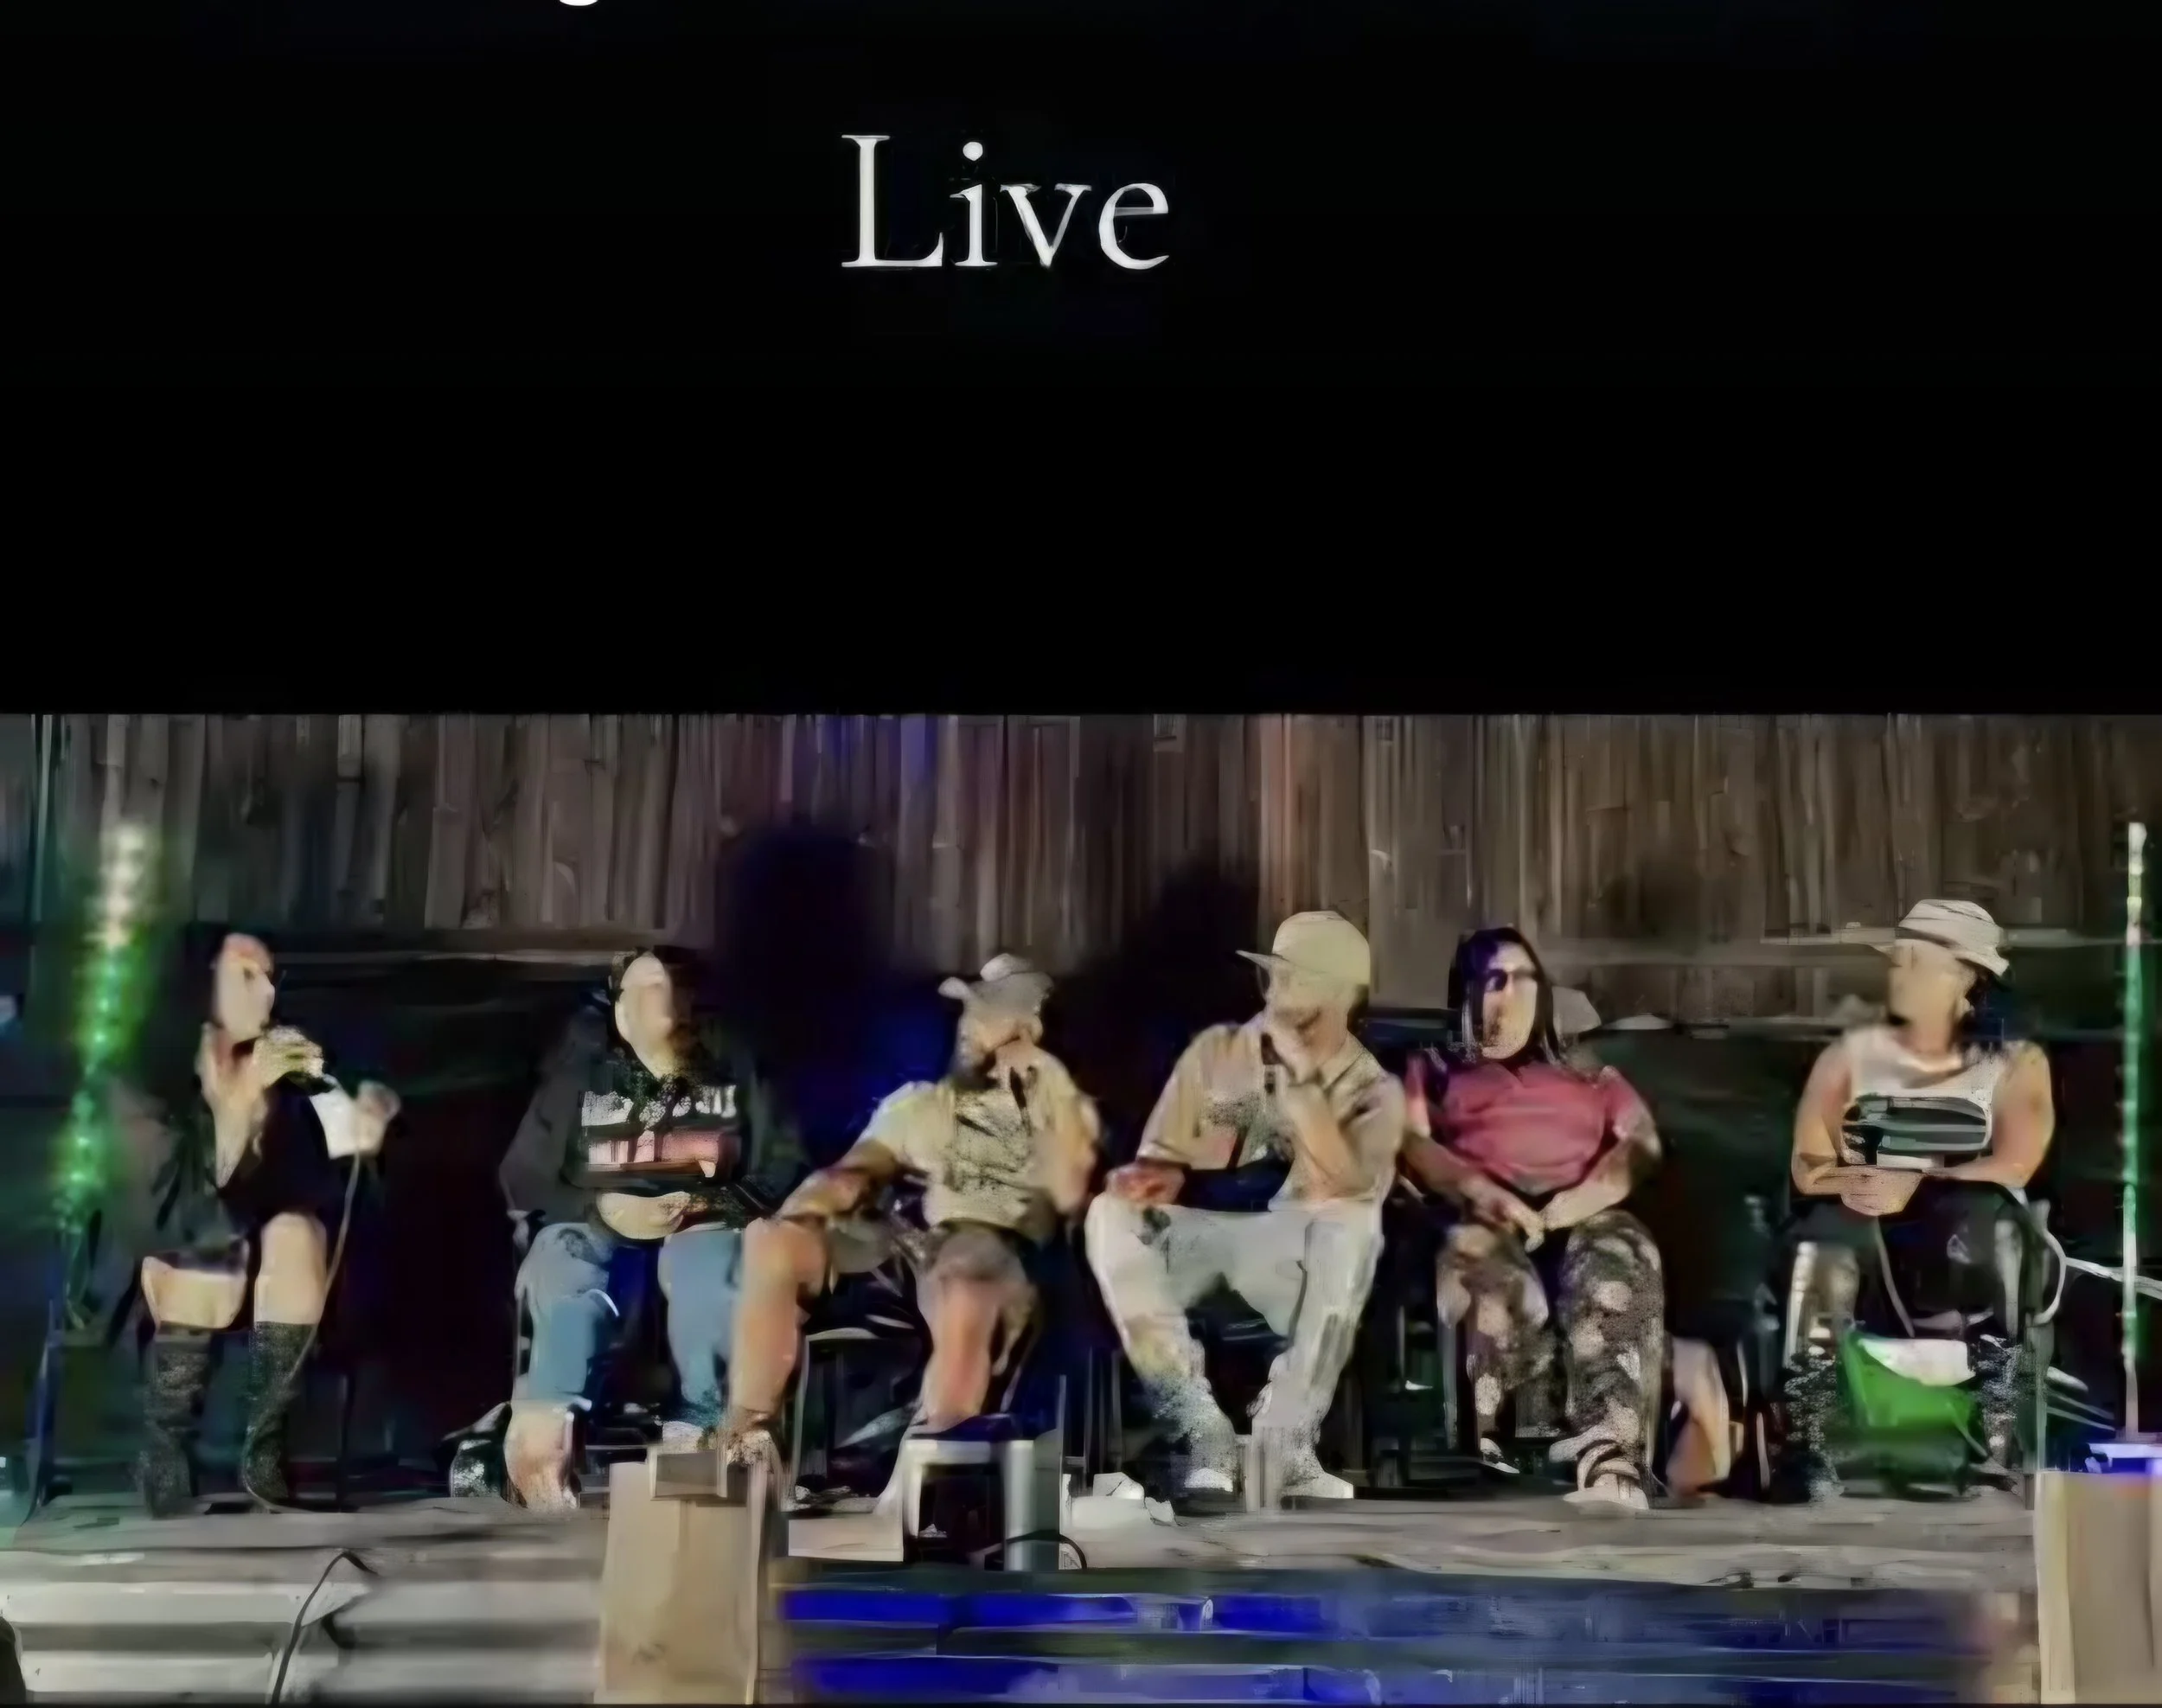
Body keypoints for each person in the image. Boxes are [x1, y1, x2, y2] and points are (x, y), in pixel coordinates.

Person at [714, 955, 1099, 1462]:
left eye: (985, 1016)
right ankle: (748, 1438)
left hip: (993, 1250)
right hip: (900, 1243)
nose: (967, 1028)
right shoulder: (920, 1102)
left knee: (968, 1276)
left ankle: (936, 1466)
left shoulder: (1065, 1109)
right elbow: (863, 1164)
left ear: (1030, 1031)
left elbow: (1072, 1195)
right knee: (775, 1239)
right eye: (967, 1014)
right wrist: (823, 1196)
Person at [1085, 910, 1404, 1507]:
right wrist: (1154, 1174)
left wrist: (1302, 1079)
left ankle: (1284, 1441)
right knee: (1109, 1214)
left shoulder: (1374, 1089)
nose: (1275, 990)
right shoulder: (1215, 1051)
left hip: (1294, 1264)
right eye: (1273, 976)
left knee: (1356, 1225)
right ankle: (1201, 1432)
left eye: (1295, 977)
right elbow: (1161, 1154)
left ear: (1340, 993)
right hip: (1207, 1241)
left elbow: (1351, 1186)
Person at [496, 946, 804, 1511]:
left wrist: (707, 1203)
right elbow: (523, 1176)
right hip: (601, 1218)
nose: (649, 998)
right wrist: (600, 1208)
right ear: (617, 1013)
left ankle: (709, 1423)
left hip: (703, 1220)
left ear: (687, 1003)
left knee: (707, 1264)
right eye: (634, 989)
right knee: (564, 1257)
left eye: (661, 985)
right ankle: (544, 1433)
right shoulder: (581, 1079)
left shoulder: (735, 1070)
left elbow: (784, 1165)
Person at [1781, 899, 2055, 1502]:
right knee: (1821, 1244)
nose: (1896, 973)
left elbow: (2018, 1159)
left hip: (1961, 1236)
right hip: (1864, 1230)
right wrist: (1850, 1181)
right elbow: (1808, 1162)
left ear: (1965, 977)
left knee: (1994, 1229)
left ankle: (1996, 1443)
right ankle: (1809, 1445)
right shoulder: (1849, 1056)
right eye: (1897, 961)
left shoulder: (2014, 1061)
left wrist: (1920, 1179)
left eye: (1914, 962)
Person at [132, 931, 402, 1516]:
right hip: (163, 1244)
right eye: (247, 975)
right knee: (212, 1251)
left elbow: (339, 1143)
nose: (268, 990)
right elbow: (180, 1197)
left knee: (298, 1236)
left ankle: (264, 1450)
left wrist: (361, 1115)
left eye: (271, 976)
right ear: (204, 981)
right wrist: (243, 1093)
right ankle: (165, 1454)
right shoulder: (151, 1065)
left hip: (256, 1241)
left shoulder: (285, 1056)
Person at [1399, 926, 1666, 1512]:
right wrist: (1481, 1192)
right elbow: (1411, 1143)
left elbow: (1643, 1142)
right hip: (1485, 1216)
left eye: (1527, 978)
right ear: (1467, 994)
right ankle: (1511, 1449)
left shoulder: (1586, 1068)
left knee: (1617, 1263)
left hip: (1584, 1211)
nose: (1515, 992)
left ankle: (1610, 1457)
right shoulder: (1437, 1066)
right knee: (1489, 1272)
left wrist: (1574, 1203)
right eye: (1497, 979)